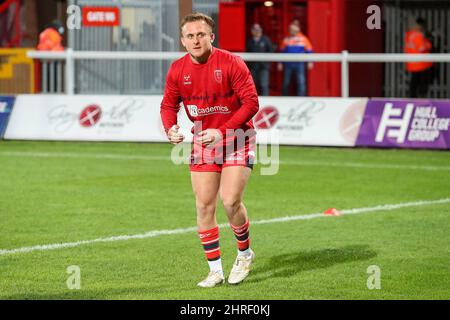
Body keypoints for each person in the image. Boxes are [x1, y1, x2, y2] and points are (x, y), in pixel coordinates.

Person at [160, 12, 259, 288]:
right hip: (204, 142)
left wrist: (221, 131)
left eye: (201, 34)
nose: (196, 40)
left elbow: (251, 103)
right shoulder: (177, 70)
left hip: (237, 137)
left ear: (211, 36)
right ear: (182, 41)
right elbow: (169, 105)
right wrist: (171, 128)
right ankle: (215, 270)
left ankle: (244, 254)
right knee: (204, 205)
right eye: (190, 36)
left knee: (229, 201)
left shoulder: (231, 63)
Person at [278, 22, 313, 96]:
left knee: (301, 81)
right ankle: (284, 97)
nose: (291, 30)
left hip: (299, 63)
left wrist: (310, 61)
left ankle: (301, 98)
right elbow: (282, 51)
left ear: (298, 29)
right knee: (286, 82)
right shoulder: (286, 39)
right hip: (288, 63)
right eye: (290, 29)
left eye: (293, 29)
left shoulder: (303, 38)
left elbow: (309, 50)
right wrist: (280, 62)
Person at [404, 17, 434, 98]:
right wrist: (429, 44)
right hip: (422, 64)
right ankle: (421, 101)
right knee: (422, 85)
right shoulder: (419, 34)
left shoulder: (408, 34)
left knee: (413, 84)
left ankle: (412, 100)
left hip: (411, 63)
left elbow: (407, 48)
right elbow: (422, 47)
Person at [246, 23, 273, 96]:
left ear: (261, 30)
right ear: (252, 31)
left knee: (264, 85)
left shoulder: (266, 40)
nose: (257, 31)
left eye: (258, 29)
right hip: (253, 67)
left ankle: (265, 100)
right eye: (255, 30)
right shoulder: (249, 41)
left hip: (263, 67)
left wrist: (267, 64)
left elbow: (271, 52)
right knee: (252, 86)